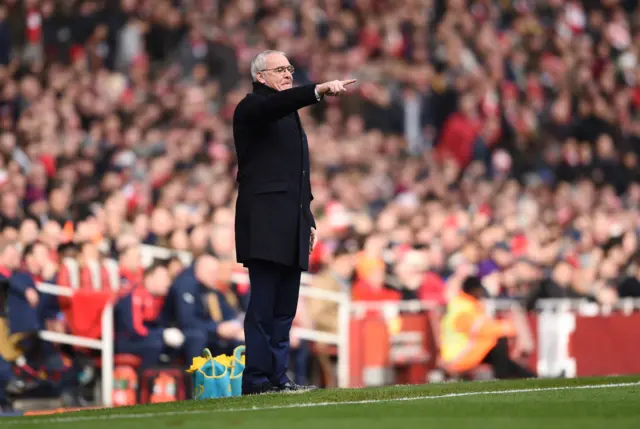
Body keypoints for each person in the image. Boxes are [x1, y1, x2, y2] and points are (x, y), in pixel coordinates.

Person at [232, 50, 356, 394]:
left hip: (291, 222)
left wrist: (307, 216)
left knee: (285, 309)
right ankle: (256, 380)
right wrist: (318, 90)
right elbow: (275, 106)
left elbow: (298, 174)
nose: (288, 74)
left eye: (290, 68)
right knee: (263, 308)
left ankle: (278, 378)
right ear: (260, 77)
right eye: (280, 69)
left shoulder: (287, 113)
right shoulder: (252, 107)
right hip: (265, 224)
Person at [440, 276, 536, 380]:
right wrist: (508, 328)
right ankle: (506, 377)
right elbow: (482, 329)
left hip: (461, 352)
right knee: (498, 342)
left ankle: (526, 376)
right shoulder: (464, 308)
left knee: (501, 355)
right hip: (459, 356)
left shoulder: (460, 305)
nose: (481, 293)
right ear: (474, 290)